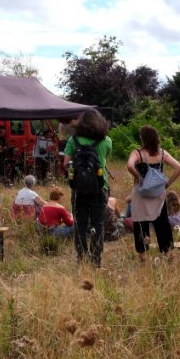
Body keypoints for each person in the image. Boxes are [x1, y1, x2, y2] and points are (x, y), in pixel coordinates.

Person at [63, 109, 112, 267]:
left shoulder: (73, 140)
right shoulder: (106, 140)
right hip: (100, 187)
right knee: (98, 224)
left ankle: (81, 258)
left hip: (79, 189)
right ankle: (96, 260)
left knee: (80, 225)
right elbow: (105, 158)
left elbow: (66, 164)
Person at [127, 125, 180, 260]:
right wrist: (167, 184)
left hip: (140, 193)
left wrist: (139, 177)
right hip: (158, 193)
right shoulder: (162, 153)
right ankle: (168, 253)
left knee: (140, 223)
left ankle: (142, 256)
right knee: (162, 222)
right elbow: (179, 168)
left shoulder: (137, 153)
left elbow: (129, 165)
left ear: (143, 138)